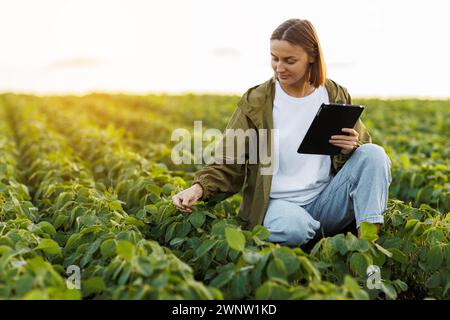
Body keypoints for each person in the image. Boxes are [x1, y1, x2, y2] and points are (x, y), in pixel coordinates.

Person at [172, 18, 392, 247]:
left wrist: (350, 148)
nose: (279, 67)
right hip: (276, 206)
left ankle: (367, 249)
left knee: (373, 154)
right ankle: (321, 242)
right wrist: (198, 188)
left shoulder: (333, 93)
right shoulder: (256, 101)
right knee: (294, 227)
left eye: (289, 60)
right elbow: (228, 162)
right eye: (274, 58)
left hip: (325, 202)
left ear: (312, 57)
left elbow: (364, 159)